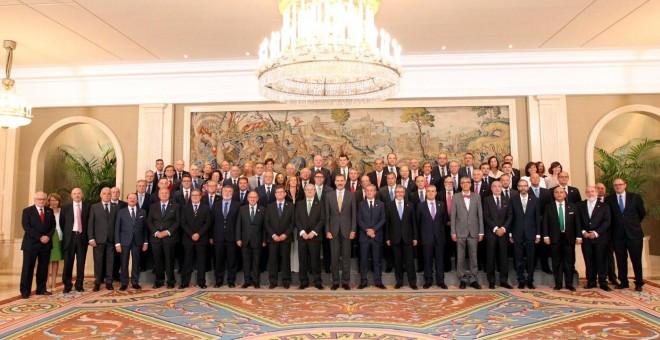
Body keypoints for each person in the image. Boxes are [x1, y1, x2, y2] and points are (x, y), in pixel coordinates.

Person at [606, 178, 646, 292]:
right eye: (615, 185)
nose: (618, 186)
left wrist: (632, 224)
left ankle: (639, 283)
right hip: (618, 235)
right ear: (613, 187)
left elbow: (642, 213)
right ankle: (623, 282)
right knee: (621, 259)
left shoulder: (635, 197)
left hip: (634, 234)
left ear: (625, 185)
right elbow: (609, 216)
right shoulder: (609, 199)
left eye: (620, 184)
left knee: (636, 259)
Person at [543, 186, 581, 291]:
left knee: (569, 262)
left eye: (561, 192)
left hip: (569, 238)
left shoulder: (573, 206)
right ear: (554, 194)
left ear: (565, 194)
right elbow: (545, 222)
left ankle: (569, 284)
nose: (559, 194)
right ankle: (558, 284)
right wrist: (546, 236)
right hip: (554, 238)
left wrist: (578, 236)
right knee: (556, 262)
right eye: (557, 192)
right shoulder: (548, 207)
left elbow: (577, 223)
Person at [20, 192, 55, 299]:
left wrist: (48, 237)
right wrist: (40, 237)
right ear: (35, 199)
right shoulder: (27, 211)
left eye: (44, 199)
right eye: (39, 199)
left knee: (43, 267)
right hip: (31, 244)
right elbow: (26, 226)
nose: (41, 201)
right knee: (28, 268)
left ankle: (41, 289)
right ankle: (25, 291)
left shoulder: (50, 211)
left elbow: (53, 226)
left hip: (46, 244)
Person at [451, 177, 484, 289]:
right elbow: (453, 216)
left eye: (467, 182)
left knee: (474, 256)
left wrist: (481, 232)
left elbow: (480, 215)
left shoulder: (476, 196)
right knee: (460, 257)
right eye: (463, 183)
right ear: (460, 185)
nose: (465, 184)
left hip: (474, 231)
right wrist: (453, 232)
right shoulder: (455, 197)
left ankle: (474, 279)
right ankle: (462, 279)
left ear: (471, 184)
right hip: (460, 231)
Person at [325, 173, 356, 290]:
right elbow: (327, 215)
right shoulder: (329, 196)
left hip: (347, 230)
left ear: (345, 182)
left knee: (346, 257)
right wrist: (327, 230)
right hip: (333, 230)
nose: (339, 182)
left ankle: (345, 282)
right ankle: (335, 282)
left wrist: (353, 230)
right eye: (337, 180)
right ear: (334, 182)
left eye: (342, 180)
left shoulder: (351, 195)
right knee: (334, 257)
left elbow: (354, 214)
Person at [578, 186, 612, 291]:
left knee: (601, 261)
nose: (590, 193)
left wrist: (596, 233)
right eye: (588, 192)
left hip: (600, 238)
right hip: (586, 238)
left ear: (596, 192)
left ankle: (603, 282)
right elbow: (577, 221)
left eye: (592, 191)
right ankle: (591, 282)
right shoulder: (580, 205)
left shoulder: (604, 206)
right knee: (589, 261)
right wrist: (583, 232)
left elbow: (607, 221)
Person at [509, 179, 541, 289]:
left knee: (531, 257)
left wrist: (538, 234)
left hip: (531, 233)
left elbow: (537, 218)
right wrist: (510, 234)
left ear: (528, 187)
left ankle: (530, 280)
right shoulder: (513, 200)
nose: (523, 188)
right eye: (520, 186)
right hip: (516, 233)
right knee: (518, 257)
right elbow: (510, 217)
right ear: (517, 188)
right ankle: (521, 280)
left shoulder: (535, 200)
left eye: (525, 186)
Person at [386, 185, 419, 290]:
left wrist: (415, 237)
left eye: (401, 192)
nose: (399, 194)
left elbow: (413, 222)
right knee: (397, 261)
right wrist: (387, 238)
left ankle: (412, 282)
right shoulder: (389, 205)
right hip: (394, 237)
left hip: (408, 237)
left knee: (409, 261)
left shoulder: (410, 205)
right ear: (394, 193)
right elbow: (387, 224)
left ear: (404, 194)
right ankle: (399, 282)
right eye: (397, 192)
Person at [147, 188, 181, 289]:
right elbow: (149, 221)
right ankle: (159, 281)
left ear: (169, 194)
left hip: (169, 238)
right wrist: (156, 232)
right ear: (158, 195)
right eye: (162, 193)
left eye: (166, 193)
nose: (164, 194)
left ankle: (170, 282)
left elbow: (177, 222)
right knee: (157, 261)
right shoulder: (153, 206)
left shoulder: (176, 206)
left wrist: (167, 232)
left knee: (169, 260)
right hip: (156, 238)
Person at [114, 193, 148, 291]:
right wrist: (117, 243)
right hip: (124, 241)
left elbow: (145, 229)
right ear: (127, 200)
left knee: (136, 263)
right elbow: (117, 229)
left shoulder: (143, 212)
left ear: (137, 200)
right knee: (124, 263)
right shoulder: (121, 212)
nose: (132, 199)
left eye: (134, 198)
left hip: (138, 241)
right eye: (130, 198)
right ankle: (124, 283)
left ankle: (135, 282)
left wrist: (145, 242)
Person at [416, 185, 448, 289]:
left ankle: (440, 281)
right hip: (426, 237)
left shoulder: (441, 205)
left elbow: (444, 220)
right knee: (427, 260)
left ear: (436, 193)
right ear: (425, 193)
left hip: (439, 237)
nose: (430, 193)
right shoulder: (421, 206)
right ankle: (428, 280)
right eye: (428, 191)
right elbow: (418, 222)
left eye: (433, 191)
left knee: (440, 260)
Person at [482, 180, 513, 289]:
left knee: (503, 258)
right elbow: (486, 216)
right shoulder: (487, 200)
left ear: (502, 188)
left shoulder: (507, 200)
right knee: (490, 257)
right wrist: (495, 229)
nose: (497, 188)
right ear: (491, 188)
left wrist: (503, 228)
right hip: (491, 233)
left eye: (499, 186)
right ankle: (491, 281)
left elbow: (510, 216)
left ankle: (504, 281)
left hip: (503, 234)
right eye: (494, 186)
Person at [60, 188, 91, 293]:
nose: (77, 195)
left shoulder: (88, 207)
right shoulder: (65, 208)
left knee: (81, 262)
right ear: (71, 196)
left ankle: (79, 284)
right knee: (68, 262)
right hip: (70, 238)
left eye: (78, 193)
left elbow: (89, 223)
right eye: (74, 194)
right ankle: (67, 285)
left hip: (82, 237)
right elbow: (62, 223)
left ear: (82, 194)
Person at [356, 184, 387, 289]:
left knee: (377, 260)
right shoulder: (361, 204)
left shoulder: (381, 204)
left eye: (371, 190)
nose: (369, 192)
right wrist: (367, 230)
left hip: (376, 236)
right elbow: (359, 219)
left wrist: (374, 230)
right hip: (364, 237)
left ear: (375, 192)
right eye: (367, 190)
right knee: (364, 260)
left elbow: (383, 219)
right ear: (365, 192)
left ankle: (378, 281)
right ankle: (363, 281)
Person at [295, 184, 325, 290]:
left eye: (311, 190)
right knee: (302, 260)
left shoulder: (320, 204)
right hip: (302, 237)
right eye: (307, 190)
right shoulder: (299, 204)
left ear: (315, 191)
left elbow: (322, 219)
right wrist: (302, 232)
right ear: (304, 191)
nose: (309, 191)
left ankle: (317, 282)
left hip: (315, 237)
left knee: (315, 260)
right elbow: (296, 219)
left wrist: (313, 232)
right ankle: (303, 281)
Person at [88, 187, 118, 291]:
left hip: (111, 239)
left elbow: (118, 224)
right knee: (98, 261)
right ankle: (97, 282)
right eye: (104, 193)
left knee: (110, 261)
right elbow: (90, 224)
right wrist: (91, 238)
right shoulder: (94, 207)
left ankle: (109, 282)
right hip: (98, 239)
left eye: (108, 194)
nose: (106, 195)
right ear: (101, 195)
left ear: (111, 195)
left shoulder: (116, 207)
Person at [180, 189, 211, 289]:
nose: (195, 197)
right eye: (193, 195)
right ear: (190, 197)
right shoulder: (185, 208)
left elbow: (208, 223)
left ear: (200, 196)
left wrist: (198, 234)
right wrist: (192, 234)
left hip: (201, 239)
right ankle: (184, 282)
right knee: (187, 261)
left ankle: (201, 282)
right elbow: (183, 223)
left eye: (197, 195)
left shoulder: (206, 208)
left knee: (201, 262)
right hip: (188, 239)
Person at [265, 186, 295, 289]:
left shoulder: (291, 206)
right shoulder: (269, 207)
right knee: (273, 260)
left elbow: (292, 222)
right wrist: (273, 235)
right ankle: (273, 282)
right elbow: (267, 223)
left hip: (285, 237)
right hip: (273, 238)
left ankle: (286, 281)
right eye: (277, 192)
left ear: (285, 194)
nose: (279, 194)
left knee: (286, 260)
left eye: (281, 192)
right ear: (275, 194)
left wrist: (285, 234)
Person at [212, 185, 241, 287]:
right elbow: (212, 222)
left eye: (229, 191)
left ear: (232, 193)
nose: (227, 193)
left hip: (232, 238)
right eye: (225, 191)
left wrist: (238, 237)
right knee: (218, 260)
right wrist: (211, 237)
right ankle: (218, 281)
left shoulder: (237, 205)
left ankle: (231, 281)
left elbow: (239, 223)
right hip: (218, 237)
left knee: (232, 260)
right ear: (221, 192)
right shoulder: (216, 205)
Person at [236, 191, 266, 289]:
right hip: (245, 240)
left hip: (258, 240)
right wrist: (238, 238)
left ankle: (256, 281)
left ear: (257, 198)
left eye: (254, 197)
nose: (252, 199)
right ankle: (247, 281)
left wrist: (264, 240)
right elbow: (238, 225)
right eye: (251, 197)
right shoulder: (242, 209)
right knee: (246, 262)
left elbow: (264, 227)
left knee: (256, 262)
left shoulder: (262, 209)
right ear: (247, 198)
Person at [596, 182, 619, 285]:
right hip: (595, 234)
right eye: (598, 188)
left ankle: (612, 276)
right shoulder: (590, 201)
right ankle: (600, 277)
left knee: (609, 255)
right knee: (598, 256)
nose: (600, 190)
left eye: (602, 188)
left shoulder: (611, 200)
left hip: (609, 233)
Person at [285, 176, 303, 273]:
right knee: (289, 244)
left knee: (296, 243)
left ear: (297, 182)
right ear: (288, 182)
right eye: (291, 180)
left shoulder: (301, 192)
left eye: (294, 180)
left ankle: (296, 267)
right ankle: (290, 267)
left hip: (299, 219)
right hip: (288, 220)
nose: (293, 181)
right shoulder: (285, 192)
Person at [47, 193, 63, 292]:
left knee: (56, 261)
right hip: (49, 237)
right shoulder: (46, 211)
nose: (54, 202)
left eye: (56, 200)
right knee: (47, 261)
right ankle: (47, 284)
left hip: (60, 237)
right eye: (52, 200)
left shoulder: (62, 211)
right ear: (49, 201)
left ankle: (54, 284)